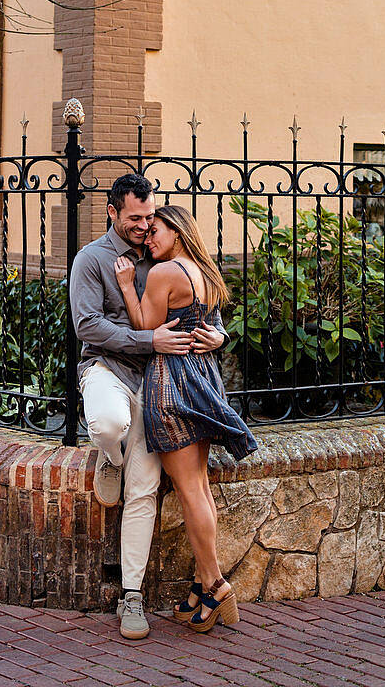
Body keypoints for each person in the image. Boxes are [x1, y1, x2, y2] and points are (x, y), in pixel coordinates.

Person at [68, 174, 227, 640]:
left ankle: (131, 595)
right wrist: (147, 339)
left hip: (156, 384)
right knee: (108, 423)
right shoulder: (91, 260)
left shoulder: (163, 255)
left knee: (145, 488)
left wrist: (220, 336)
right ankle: (109, 457)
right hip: (107, 368)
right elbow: (87, 326)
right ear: (112, 212)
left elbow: (204, 308)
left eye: (149, 217)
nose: (143, 226)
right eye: (135, 218)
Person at [115, 203, 258, 634]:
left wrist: (126, 284)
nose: (148, 238)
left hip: (173, 383)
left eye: (155, 230)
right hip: (204, 377)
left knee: (191, 489)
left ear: (176, 231)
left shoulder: (163, 273)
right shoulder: (203, 271)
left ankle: (215, 583)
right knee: (200, 488)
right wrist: (221, 336)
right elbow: (212, 325)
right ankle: (200, 586)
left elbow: (146, 325)